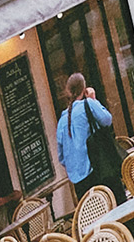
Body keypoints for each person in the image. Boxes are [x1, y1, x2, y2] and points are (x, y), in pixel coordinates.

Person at [51, 65, 119, 201]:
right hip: (99, 170)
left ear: (68, 92)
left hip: (79, 182)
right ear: (84, 88)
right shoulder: (88, 104)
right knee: (114, 204)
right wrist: (93, 98)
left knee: (92, 212)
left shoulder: (62, 121)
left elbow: (62, 157)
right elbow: (107, 120)